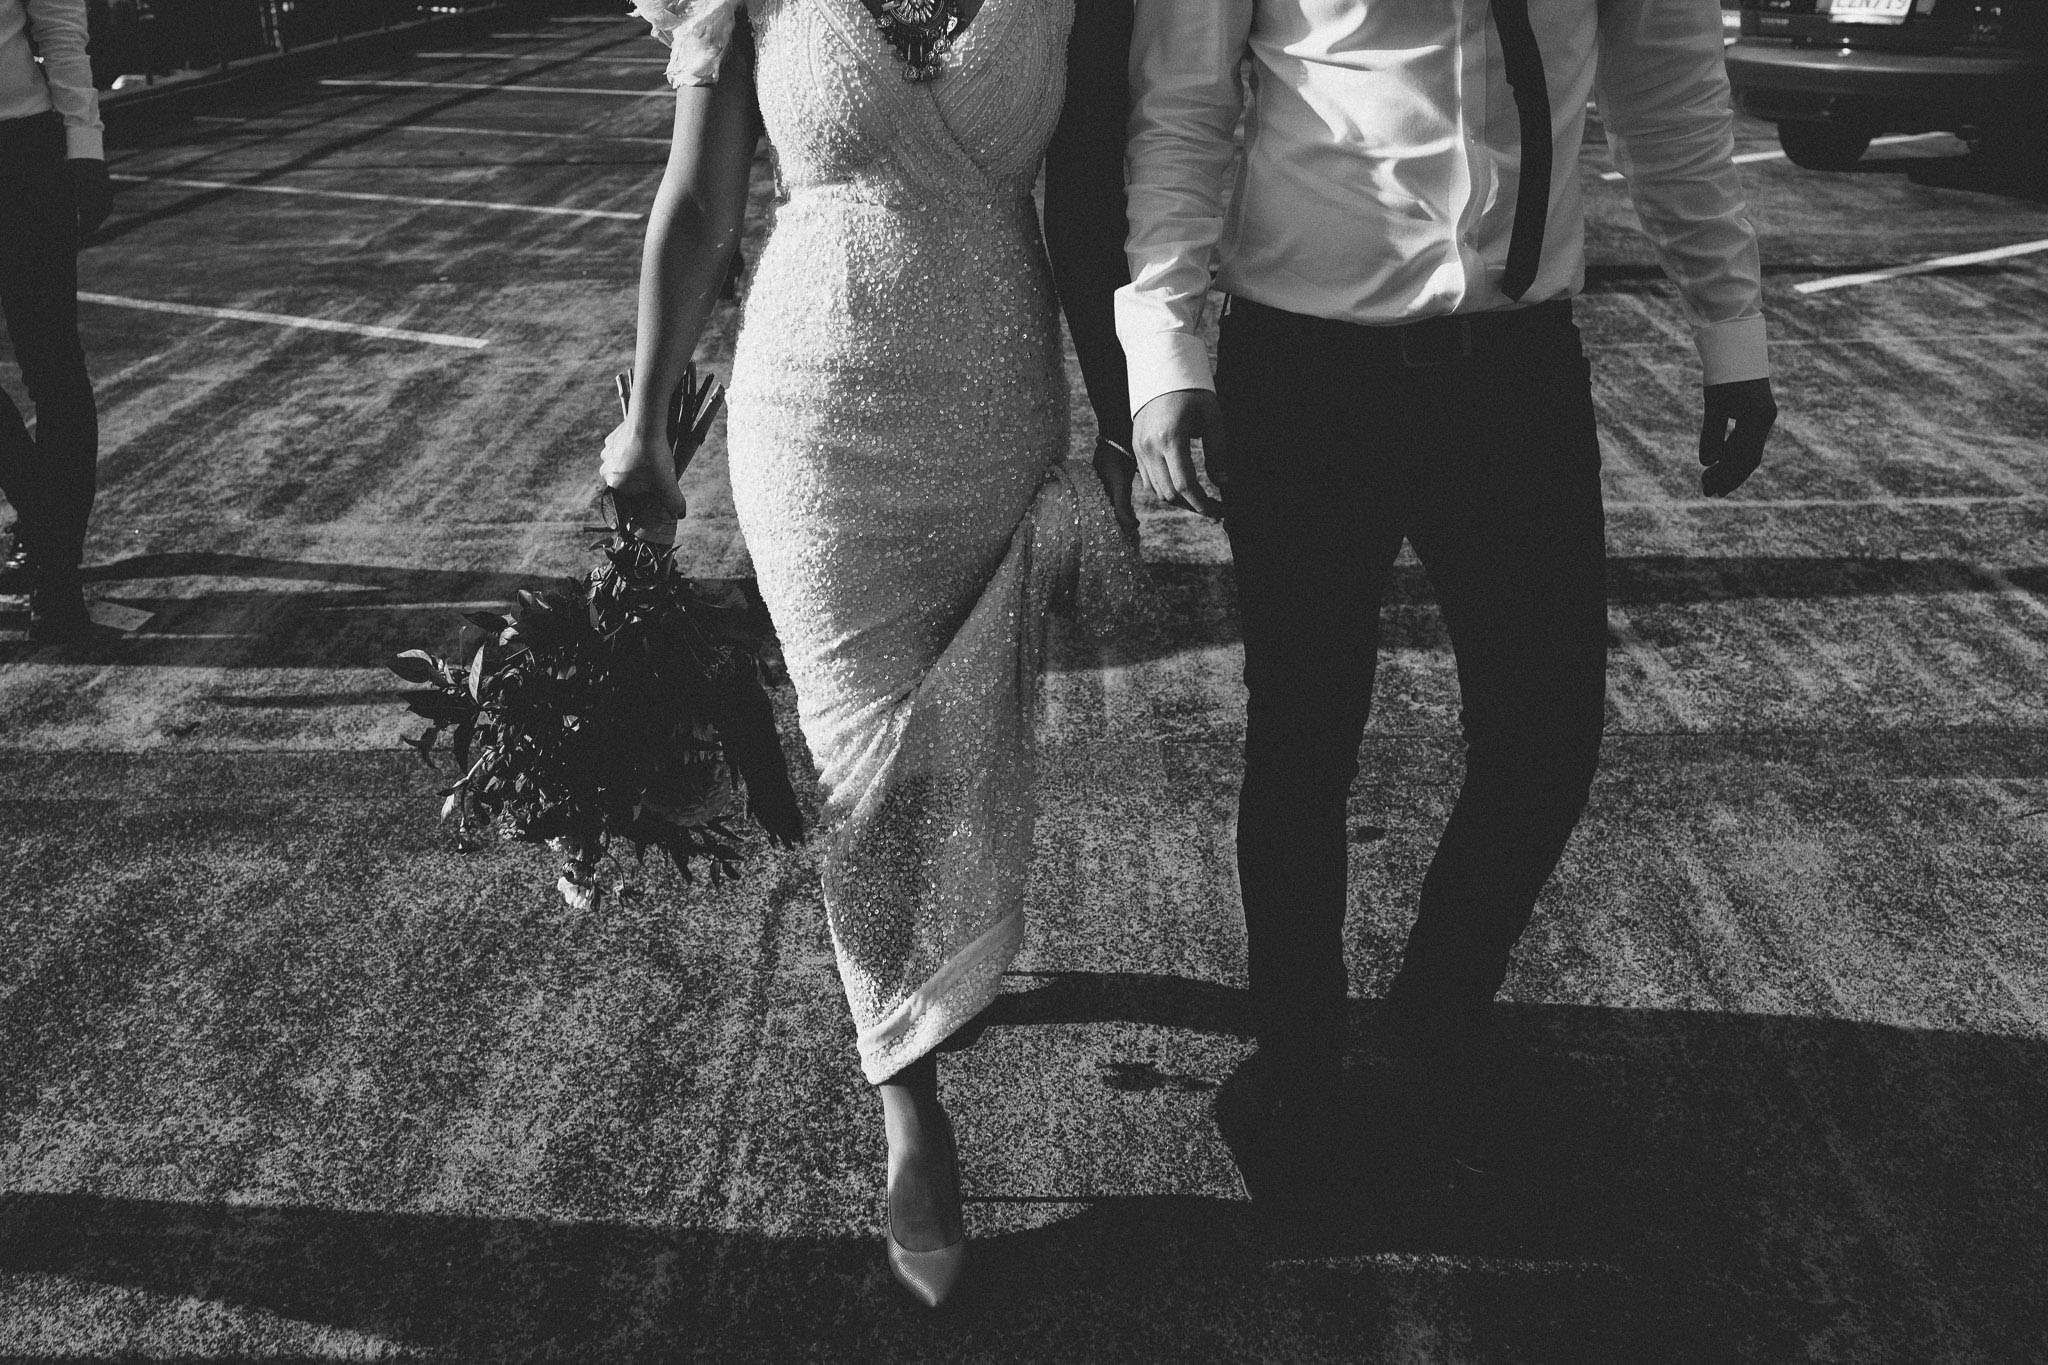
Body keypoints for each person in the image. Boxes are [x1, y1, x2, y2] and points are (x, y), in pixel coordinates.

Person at [1120, 0, 1779, 1189]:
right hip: (1305, 374)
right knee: (1303, 737)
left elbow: (1669, 93)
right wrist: (1163, 350)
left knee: (1547, 736)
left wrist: (1729, 329)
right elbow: (1183, 108)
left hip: (1513, 375)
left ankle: (1429, 1030)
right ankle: (1297, 1064)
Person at [603, 0, 1138, 1309]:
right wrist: (643, 421)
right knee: (859, 760)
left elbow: (1090, 212)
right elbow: (699, 205)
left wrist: (1122, 432)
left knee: (963, 738)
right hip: (814, 414)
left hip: (995, 408)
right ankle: (912, 1103)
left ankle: (939, 976)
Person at [0, 0, 110, 641]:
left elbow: (62, 32)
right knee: (55, 371)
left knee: (53, 367)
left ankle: (56, 572)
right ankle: (51, 545)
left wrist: (84, 150)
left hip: (19, 155)